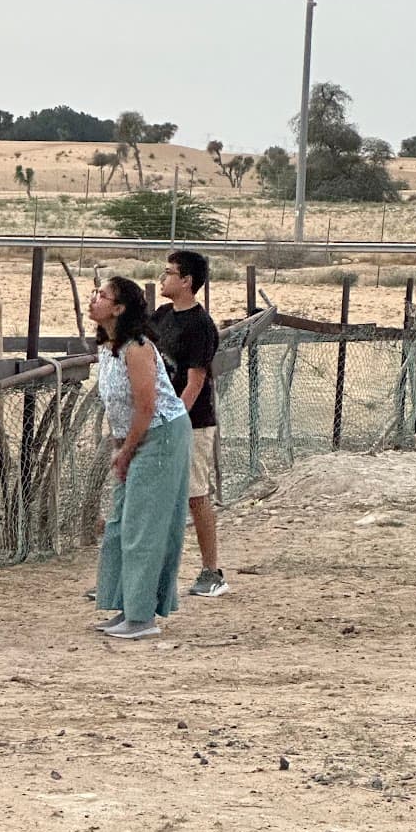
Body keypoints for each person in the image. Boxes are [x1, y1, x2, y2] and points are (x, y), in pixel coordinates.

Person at [90, 276, 191, 640]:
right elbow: (119, 406)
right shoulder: (107, 347)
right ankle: (125, 606)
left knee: (143, 526)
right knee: (120, 523)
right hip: (133, 438)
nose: (94, 299)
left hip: (160, 435)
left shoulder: (137, 348)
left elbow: (147, 407)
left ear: (119, 308)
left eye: (102, 296)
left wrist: (127, 451)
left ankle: (142, 616)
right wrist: (121, 447)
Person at [150, 249, 228, 597]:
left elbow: (195, 382)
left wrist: (175, 420)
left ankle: (212, 571)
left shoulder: (200, 326)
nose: (163, 278)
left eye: (169, 273)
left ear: (186, 281)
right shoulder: (162, 316)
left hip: (191, 422)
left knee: (195, 494)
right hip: (159, 418)